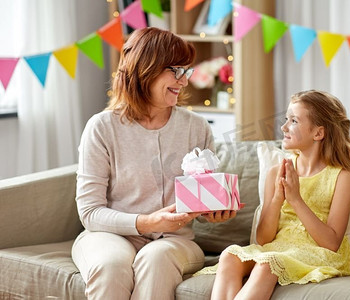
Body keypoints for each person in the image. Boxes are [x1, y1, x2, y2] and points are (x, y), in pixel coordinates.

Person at [71, 27, 236, 300]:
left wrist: (214, 209)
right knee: (110, 265)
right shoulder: (102, 127)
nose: (184, 81)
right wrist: (147, 222)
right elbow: (90, 212)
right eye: (176, 70)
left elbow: (202, 196)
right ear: (145, 69)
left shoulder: (196, 127)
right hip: (108, 235)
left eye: (187, 71)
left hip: (175, 242)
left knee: (157, 259)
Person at [197, 90, 350, 300]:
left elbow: (331, 243)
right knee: (230, 255)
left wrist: (295, 199)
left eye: (293, 121)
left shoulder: (342, 176)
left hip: (317, 252)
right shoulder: (277, 172)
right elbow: (263, 239)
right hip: (278, 248)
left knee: (267, 264)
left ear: (318, 133)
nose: (283, 127)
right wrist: (277, 199)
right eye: (286, 119)